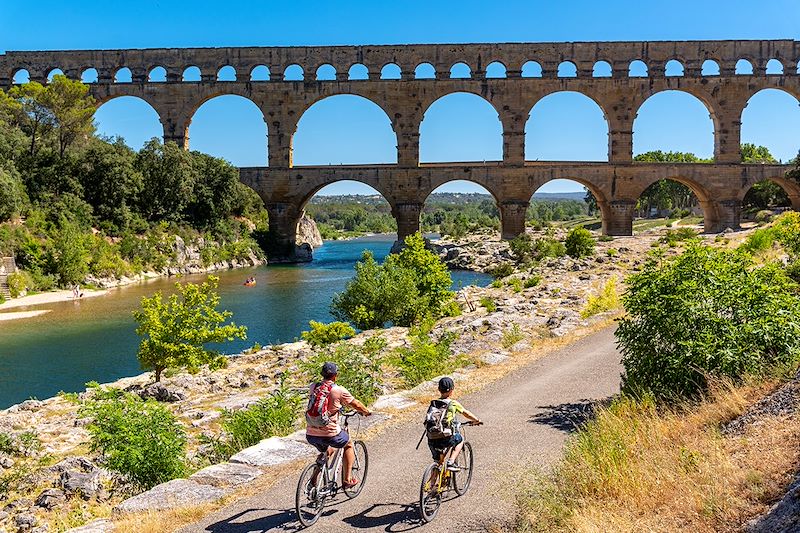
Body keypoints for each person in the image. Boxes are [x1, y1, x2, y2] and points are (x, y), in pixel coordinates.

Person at [305, 362, 372, 488]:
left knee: (328, 449)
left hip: (311, 434)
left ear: (322, 374)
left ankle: (313, 479)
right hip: (329, 432)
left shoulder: (313, 386)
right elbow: (356, 404)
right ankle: (347, 480)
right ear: (335, 375)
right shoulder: (338, 390)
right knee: (348, 444)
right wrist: (366, 412)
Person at [426, 377, 481, 476]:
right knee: (459, 439)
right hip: (445, 437)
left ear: (439, 389)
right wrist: (476, 420)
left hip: (432, 438)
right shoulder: (453, 403)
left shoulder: (433, 403)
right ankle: (451, 462)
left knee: (438, 463)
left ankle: (432, 488)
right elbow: (466, 413)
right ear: (452, 390)